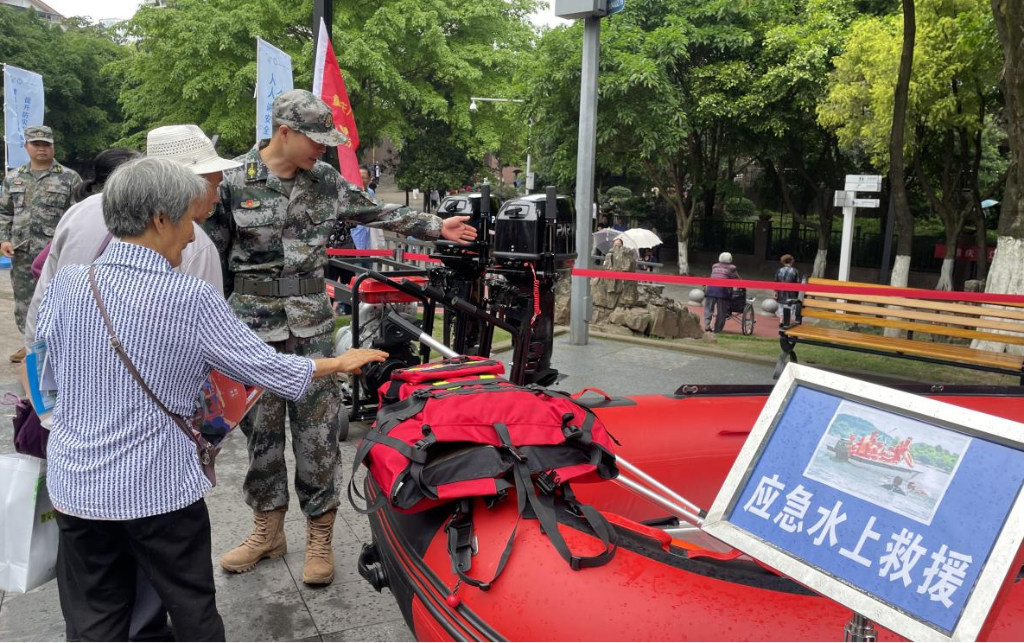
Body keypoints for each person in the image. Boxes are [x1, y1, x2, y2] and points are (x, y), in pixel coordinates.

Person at [36, 157, 389, 643]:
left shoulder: (70, 284)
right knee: (191, 610)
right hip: (155, 487)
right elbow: (265, 367)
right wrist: (338, 362)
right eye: (188, 221)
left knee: (93, 617)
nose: (192, 237)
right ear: (160, 219)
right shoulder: (187, 298)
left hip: (76, 487)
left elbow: (46, 368)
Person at [206, 89, 477, 586]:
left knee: (317, 434)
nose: (323, 150)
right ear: (283, 132)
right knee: (260, 435)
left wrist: (438, 226)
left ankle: (320, 535)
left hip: (310, 325)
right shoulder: (230, 181)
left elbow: (379, 213)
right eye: (316, 140)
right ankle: (267, 531)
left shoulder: (326, 181)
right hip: (250, 328)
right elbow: (212, 259)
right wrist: (218, 327)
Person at [26, 126, 232, 350]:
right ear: (192, 185)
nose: (217, 197)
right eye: (215, 185)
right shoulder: (194, 242)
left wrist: (36, 372)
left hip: (70, 370)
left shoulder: (79, 212)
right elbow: (210, 340)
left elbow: (42, 301)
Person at [0, 125, 82, 362]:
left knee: (57, 298)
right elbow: (5, 212)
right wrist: (4, 239)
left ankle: (56, 346)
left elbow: (78, 213)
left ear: (53, 146)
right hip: (22, 251)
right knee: (24, 301)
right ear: (27, 147)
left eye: (46, 144)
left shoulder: (69, 177)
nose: (42, 148)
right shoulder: (13, 178)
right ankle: (29, 346)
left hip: (54, 252)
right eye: (36, 144)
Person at [705, 252, 739, 333]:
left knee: (708, 309)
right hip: (722, 291)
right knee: (721, 312)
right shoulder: (732, 268)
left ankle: (707, 325)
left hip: (710, 289)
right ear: (730, 259)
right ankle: (717, 330)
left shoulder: (714, 266)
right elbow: (737, 279)